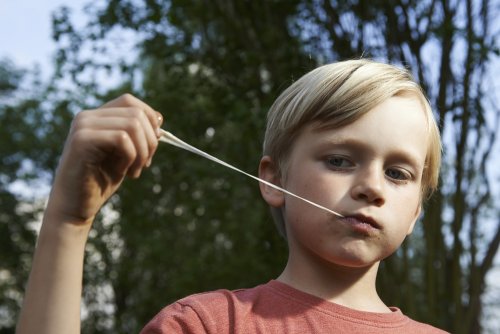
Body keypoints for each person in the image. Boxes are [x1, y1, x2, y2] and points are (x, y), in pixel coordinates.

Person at [16, 59, 447, 333]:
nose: (371, 186)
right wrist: (68, 224)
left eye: (397, 173)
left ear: (414, 215)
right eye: (339, 161)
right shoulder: (203, 325)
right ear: (272, 179)